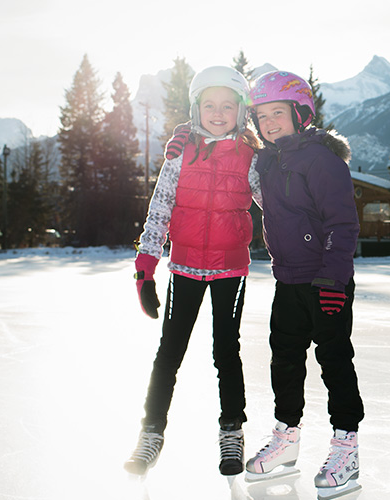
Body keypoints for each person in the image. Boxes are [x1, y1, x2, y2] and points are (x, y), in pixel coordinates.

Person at [124, 66, 260, 477]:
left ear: (240, 111)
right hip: (183, 267)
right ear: (195, 108)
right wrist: (145, 267)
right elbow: (160, 207)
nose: (217, 113)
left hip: (229, 270)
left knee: (227, 352)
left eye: (227, 106)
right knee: (169, 352)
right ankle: (150, 432)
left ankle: (231, 431)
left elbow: (275, 206)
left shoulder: (251, 158)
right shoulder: (180, 153)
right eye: (209, 105)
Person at [245, 71, 364, 498]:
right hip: (288, 278)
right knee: (285, 360)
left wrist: (334, 278)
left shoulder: (322, 161)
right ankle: (286, 440)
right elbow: (227, 145)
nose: (269, 123)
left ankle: (346, 447)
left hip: (326, 280)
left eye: (277, 113)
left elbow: (343, 224)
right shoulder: (266, 160)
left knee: (335, 362)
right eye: (261, 116)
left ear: (300, 113)